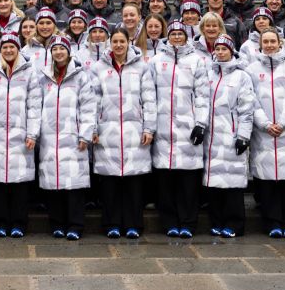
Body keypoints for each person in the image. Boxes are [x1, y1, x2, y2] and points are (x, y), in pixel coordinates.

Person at [93, 28, 154, 239]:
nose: (118, 45)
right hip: (107, 132)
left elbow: (149, 100)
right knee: (110, 184)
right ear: (110, 43)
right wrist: (93, 127)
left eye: (122, 41)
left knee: (133, 184)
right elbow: (93, 100)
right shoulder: (98, 67)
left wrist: (148, 128)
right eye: (115, 41)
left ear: (129, 42)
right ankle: (111, 224)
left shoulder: (141, 67)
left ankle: (133, 224)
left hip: (133, 131)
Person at [32, 39, 96, 240]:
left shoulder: (80, 76)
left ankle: (75, 225)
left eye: (62, 49)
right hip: (50, 138)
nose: (59, 52)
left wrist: (85, 133)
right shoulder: (43, 77)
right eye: (55, 49)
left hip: (73, 137)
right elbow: (35, 105)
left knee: (74, 184)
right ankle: (57, 223)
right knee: (53, 183)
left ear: (69, 52)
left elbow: (88, 107)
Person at [247, 28, 285, 238]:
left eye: (273, 41)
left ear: (280, 43)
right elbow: (250, 98)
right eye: (266, 41)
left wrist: (283, 122)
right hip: (264, 135)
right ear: (260, 44)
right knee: (268, 184)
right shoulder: (252, 69)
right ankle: (272, 222)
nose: (270, 45)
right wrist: (264, 123)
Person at [0, 34, 38, 237]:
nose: (9, 51)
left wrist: (32, 133)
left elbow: (34, 106)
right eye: (5, 47)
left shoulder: (29, 72)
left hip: (21, 136)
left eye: (13, 47)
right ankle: (0, 223)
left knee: (19, 183)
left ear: (18, 49)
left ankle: (19, 223)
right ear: (0, 50)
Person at [150, 21, 206, 238]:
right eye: (172, 33)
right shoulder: (156, 61)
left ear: (186, 36)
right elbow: (149, 94)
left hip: (187, 128)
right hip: (163, 129)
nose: (176, 37)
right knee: (165, 182)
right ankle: (170, 222)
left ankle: (188, 222)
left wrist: (200, 123)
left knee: (188, 182)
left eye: (180, 34)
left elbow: (202, 95)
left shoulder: (197, 61)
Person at [196, 36, 254, 238]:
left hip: (231, 136)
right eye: (217, 49)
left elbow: (246, 110)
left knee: (232, 184)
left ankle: (235, 224)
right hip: (211, 138)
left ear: (231, 51)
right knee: (214, 184)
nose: (220, 52)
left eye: (224, 49)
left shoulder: (241, 76)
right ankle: (217, 221)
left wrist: (243, 136)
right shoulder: (207, 74)